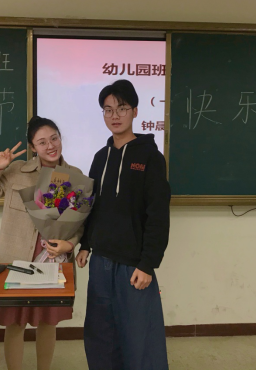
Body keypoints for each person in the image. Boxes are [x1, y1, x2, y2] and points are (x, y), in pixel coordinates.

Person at [76, 79, 171, 370]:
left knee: (139, 340)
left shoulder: (150, 157)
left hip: (133, 266)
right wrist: (86, 244)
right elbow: (93, 207)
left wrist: (148, 264)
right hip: (100, 262)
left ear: (135, 111)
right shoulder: (100, 158)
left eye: (122, 108)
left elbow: (158, 215)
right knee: (101, 336)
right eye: (108, 110)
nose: (114, 115)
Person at [0, 116, 82, 370]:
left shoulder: (75, 176)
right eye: (42, 142)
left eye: (54, 138)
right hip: (16, 259)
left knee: (48, 323)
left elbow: (80, 222)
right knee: (15, 323)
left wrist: (70, 244)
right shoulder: (16, 171)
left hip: (53, 260)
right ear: (33, 147)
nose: (50, 146)